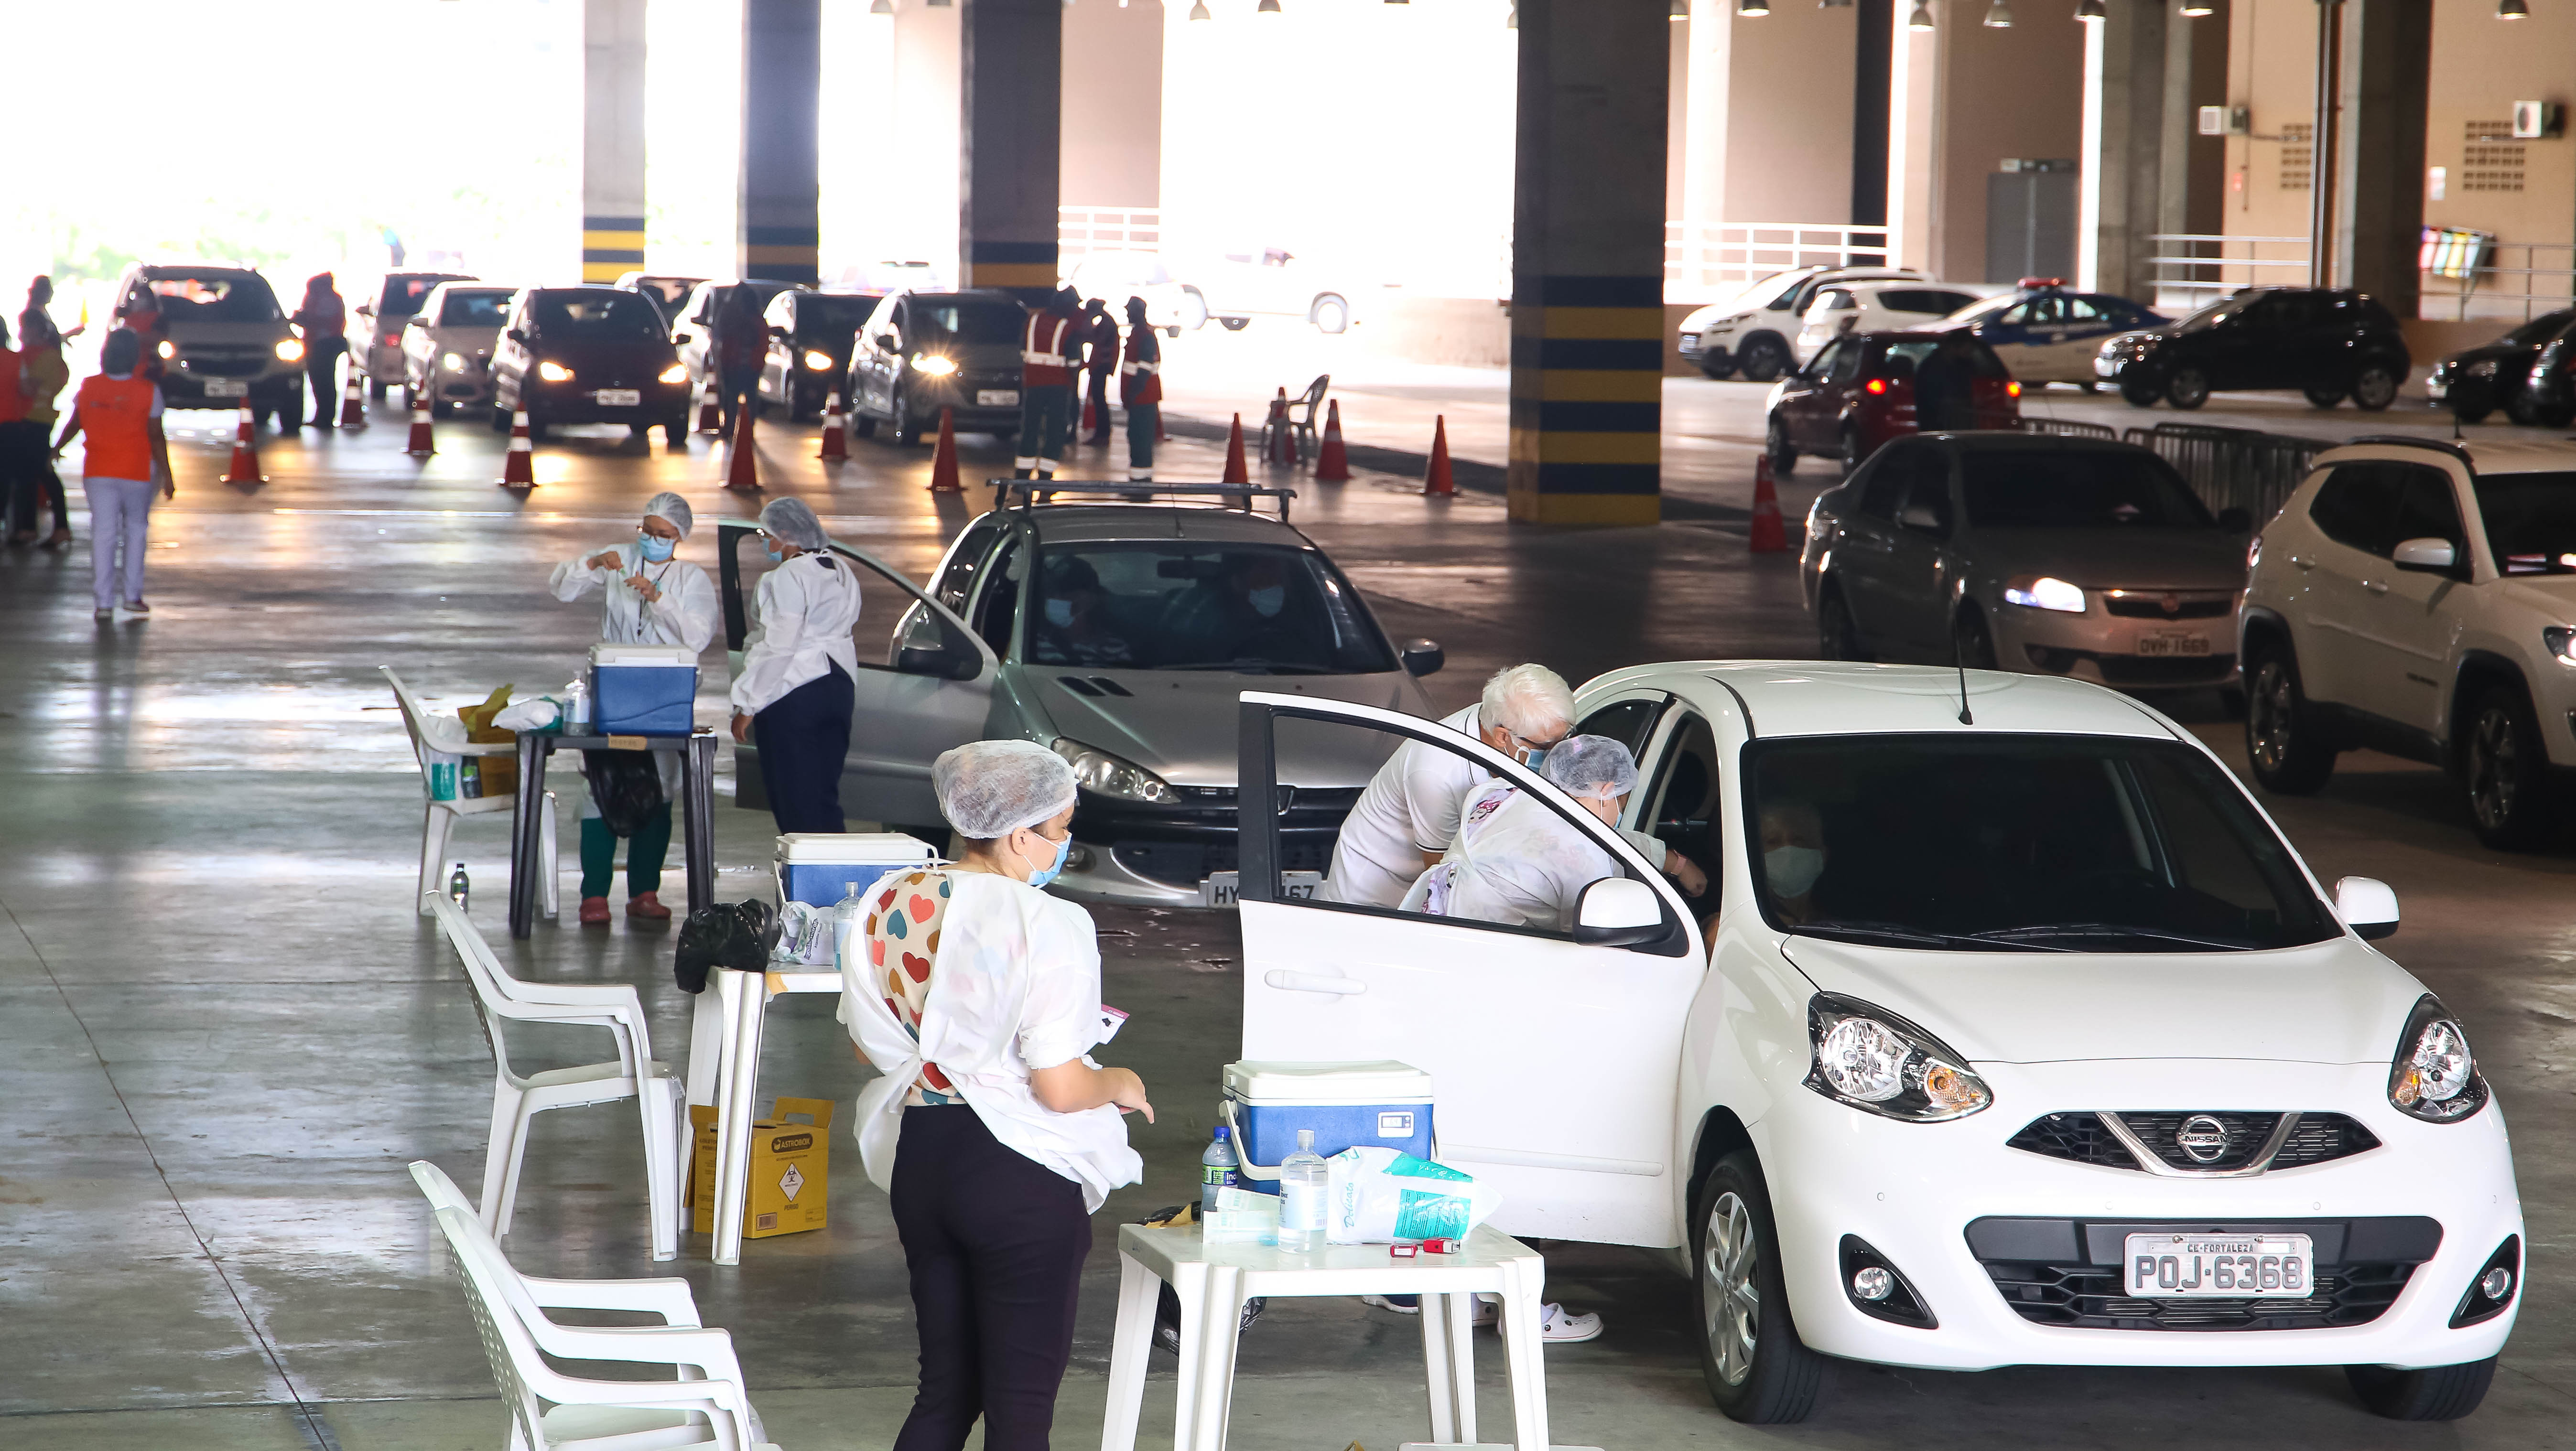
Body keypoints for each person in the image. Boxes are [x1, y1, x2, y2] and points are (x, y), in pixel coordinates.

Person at [842, 739, 1150, 1451]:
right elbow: (1060, 1087)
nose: (1065, 844)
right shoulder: (1048, 921)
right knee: (1020, 1414)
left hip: (922, 1163)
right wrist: (1120, 1083)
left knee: (945, 1395)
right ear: (1019, 834)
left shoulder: (886, 900)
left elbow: (866, 1044)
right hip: (1018, 1176)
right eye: (1061, 828)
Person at [550, 491, 719, 926]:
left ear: (680, 536)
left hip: (665, 691)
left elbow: (698, 636)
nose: (652, 539)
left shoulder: (691, 579)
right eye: (647, 530)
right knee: (601, 785)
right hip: (614, 687)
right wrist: (592, 563)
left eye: (663, 534)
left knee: (658, 790)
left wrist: (659, 599)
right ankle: (594, 895)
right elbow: (562, 588)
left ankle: (645, 891)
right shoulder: (619, 558)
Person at [1318, 664, 1577, 908]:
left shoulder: (1500, 718)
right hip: (1376, 892)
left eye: (1565, 738)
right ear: (1503, 737)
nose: (1556, 753)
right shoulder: (1436, 771)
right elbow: (1444, 876)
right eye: (1546, 746)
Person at [730, 497, 860, 833]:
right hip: (839, 687)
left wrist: (748, 704)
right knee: (824, 797)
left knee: (795, 802)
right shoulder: (840, 569)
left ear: (786, 535)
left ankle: (803, 868)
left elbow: (780, 644)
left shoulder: (788, 575)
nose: (764, 541)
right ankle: (837, 865)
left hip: (794, 693)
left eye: (766, 534)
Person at [50, 329, 172, 619]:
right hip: (136, 471)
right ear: (135, 356)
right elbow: (156, 436)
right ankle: (132, 596)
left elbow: (76, 423)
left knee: (103, 533)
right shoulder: (148, 391)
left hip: (98, 471)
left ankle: (103, 603)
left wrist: (56, 448)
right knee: (136, 530)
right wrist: (168, 475)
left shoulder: (89, 387)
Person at [16, 279, 74, 548]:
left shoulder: (45, 357)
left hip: (38, 421)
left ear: (35, 331)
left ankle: (59, 527)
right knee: (30, 471)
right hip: (29, 419)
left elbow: (30, 388)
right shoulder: (31, 355)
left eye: (25, 329)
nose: (21, 334)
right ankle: (29, 527)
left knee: (41, 470)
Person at [1013, 288, 1082, 482]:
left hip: (1033, 383)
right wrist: (1072, 385)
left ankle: (1022, 477)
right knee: (1055, 430)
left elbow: (1023, 349)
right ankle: (1045, 477)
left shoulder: (1032, 321)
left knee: (1030, 427)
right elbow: (1074, 363)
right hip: (1058, 386)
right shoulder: (1067, 327)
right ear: (1065, 305)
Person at [288, 273, 349, 430]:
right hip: (316, 344)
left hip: (324, 345)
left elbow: (323, 320)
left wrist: (304, 319)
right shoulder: (319, 298)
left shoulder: (328, 300)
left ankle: (326, 418)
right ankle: (322, 416)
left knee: (324, 382)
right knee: (319, 382)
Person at [1758, 797, 1829, 924]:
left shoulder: (1839, 926)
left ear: (1823, 855)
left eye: (1798, 840)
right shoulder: (1739, 922)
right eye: (1773, 841)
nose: (1788, 850)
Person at [712, 285, 765, 436]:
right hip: (749, 365)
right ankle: (747, 428)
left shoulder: (733, 319)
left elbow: (722, 338)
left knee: (732, 397)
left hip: (735, 365)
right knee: (749, 397)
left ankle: (732, 428)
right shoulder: (757, 321)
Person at [1118, 295, 1160, 484]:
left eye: (1129, 311)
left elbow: (1144, 370)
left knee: (1140, 437)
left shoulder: (1144, 335)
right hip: (1141, 396)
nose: (1127, 314)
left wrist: (1132, 395)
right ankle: (1139, 477)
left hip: (1143, 397)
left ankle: (1140, 481)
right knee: (1137, 436)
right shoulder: (1140, 333)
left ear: (1138, 312)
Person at [1913, 334, 1978, 432]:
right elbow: (1931, 396)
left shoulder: (1961, 365)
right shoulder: (1933, 367)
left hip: (1953, 419)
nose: (1970, 355)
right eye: (1967, 351)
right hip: (1937, 420)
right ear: (1953, 347)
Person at [1078, 297, 1116, 445]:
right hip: (1100, 365)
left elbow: (1092, 337)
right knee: (1099, 399)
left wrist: (1087, 321)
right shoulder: (1106, 322)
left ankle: (1103, 433)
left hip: (1101, 365)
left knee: (1100, 399)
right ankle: (1102, 432)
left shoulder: (1106, 323)